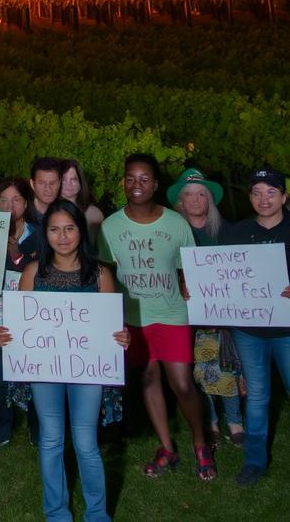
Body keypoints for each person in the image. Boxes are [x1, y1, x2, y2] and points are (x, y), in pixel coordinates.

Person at [0, 199, 130, 521]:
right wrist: (7, 336)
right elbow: (19, 324)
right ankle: (56, 512)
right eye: (55, 229)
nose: (63, 236)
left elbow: (112, 326)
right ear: (46, 234)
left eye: (70, 228)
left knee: (86, 441)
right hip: (46, 371)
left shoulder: (100, 274)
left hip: (88, 369)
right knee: (51, 438)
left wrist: (122, 337)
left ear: (81, 232)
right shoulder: (32, 273)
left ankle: (97, 513)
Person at [98, 153, 217, 481]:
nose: (137, 185)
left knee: (181, 383)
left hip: (171, 314)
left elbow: (190, 269)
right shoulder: (110, 226)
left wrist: (190, 285)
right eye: (130, 178)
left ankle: (200, 443)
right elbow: (105, 273)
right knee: (148, 380)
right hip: (134, 317)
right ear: (123, 181)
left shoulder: (175, 224)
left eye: (144, 179)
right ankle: (167, 447)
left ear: (156, 184)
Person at [168, 168, 244, 448]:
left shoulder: (227, 231)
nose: (196, 199)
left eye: (202, 194)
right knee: (200, 369)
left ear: (209, 199)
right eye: (190, 194)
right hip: (188, 314)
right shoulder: (173, 233)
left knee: (228, 364)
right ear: (181, 201)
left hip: (225, 314)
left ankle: (235, 420)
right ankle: (211, 421)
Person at [225, 164, 290, 486]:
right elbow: (219, 278)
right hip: (249, 330)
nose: (264, 199)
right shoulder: (235, 233)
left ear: (284, 196)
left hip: (289, 331)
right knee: (258, 395)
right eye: (256, 192)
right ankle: (254, 462)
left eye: (271, 192)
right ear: (249, 196)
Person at [0, 176, 39, 448]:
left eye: (16, 199)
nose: (9, 205)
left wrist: (18, 256)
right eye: (3, 200)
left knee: (33, 369)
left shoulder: (39, 234)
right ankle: (3, 424)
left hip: (32, 315)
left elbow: (44, 272)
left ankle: (34, 422)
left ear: (26, 203)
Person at [60, 159, 104, 244]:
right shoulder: (47, 211)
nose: (68, 184)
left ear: (81, 182)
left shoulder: (93, 214)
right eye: (63, 179)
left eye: (74, 179)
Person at [29, 158, 62, 224]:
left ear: (59, 183)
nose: (48, 188)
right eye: (42, 183)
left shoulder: (67, 213)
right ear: (32, 184)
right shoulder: (22, 213)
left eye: (52, 183)